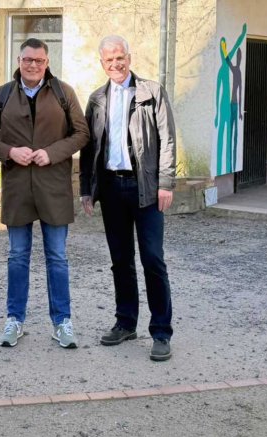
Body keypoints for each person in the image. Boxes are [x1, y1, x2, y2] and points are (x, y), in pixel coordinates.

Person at [0, 38, 90, 349]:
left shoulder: (63, 92)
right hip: (17, 188)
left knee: (57, 257)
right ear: (19, 60)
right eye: (28, 59)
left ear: (47, 63)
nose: (33, 65)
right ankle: (14, 320)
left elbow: (82, 133)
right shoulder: (3, 95)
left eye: (39, 61)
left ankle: (62, 322)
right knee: (17, 256)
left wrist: (52, 153)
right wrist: (10, 152)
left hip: (53, 186)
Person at [79, 35, 176, 361]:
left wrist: (166, 183)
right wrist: (86, 189)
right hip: (110, 188)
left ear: (129, 57)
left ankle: (161, 331)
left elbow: (168, 140)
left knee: (152, 260)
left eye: (120, 58)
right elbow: (89, 147)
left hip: (145, 188)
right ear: (102, 63)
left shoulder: (152, 92)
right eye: (109, 60)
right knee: (120, 260)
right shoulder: (96, 99)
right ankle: (126, 322)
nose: (116, 64)